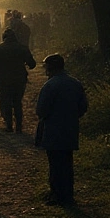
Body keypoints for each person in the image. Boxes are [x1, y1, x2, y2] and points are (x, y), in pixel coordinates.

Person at [35, 54, 88, 206]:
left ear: (51, 67)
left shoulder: (50, 85)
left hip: (53, 130)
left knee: (55, 165)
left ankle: (57, 196)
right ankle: (68, 196)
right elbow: (83, 107)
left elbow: (41, 111)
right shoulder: (75, 83)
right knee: (67, 163)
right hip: (70, 129)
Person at [0, 29, 38, 132]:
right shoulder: (22, 48)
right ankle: (19, 126)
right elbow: (32, 64)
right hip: (19, 79)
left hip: (4, 79)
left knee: (6, 101)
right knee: (17, 101)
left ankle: (9, 125)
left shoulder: (0, 49)